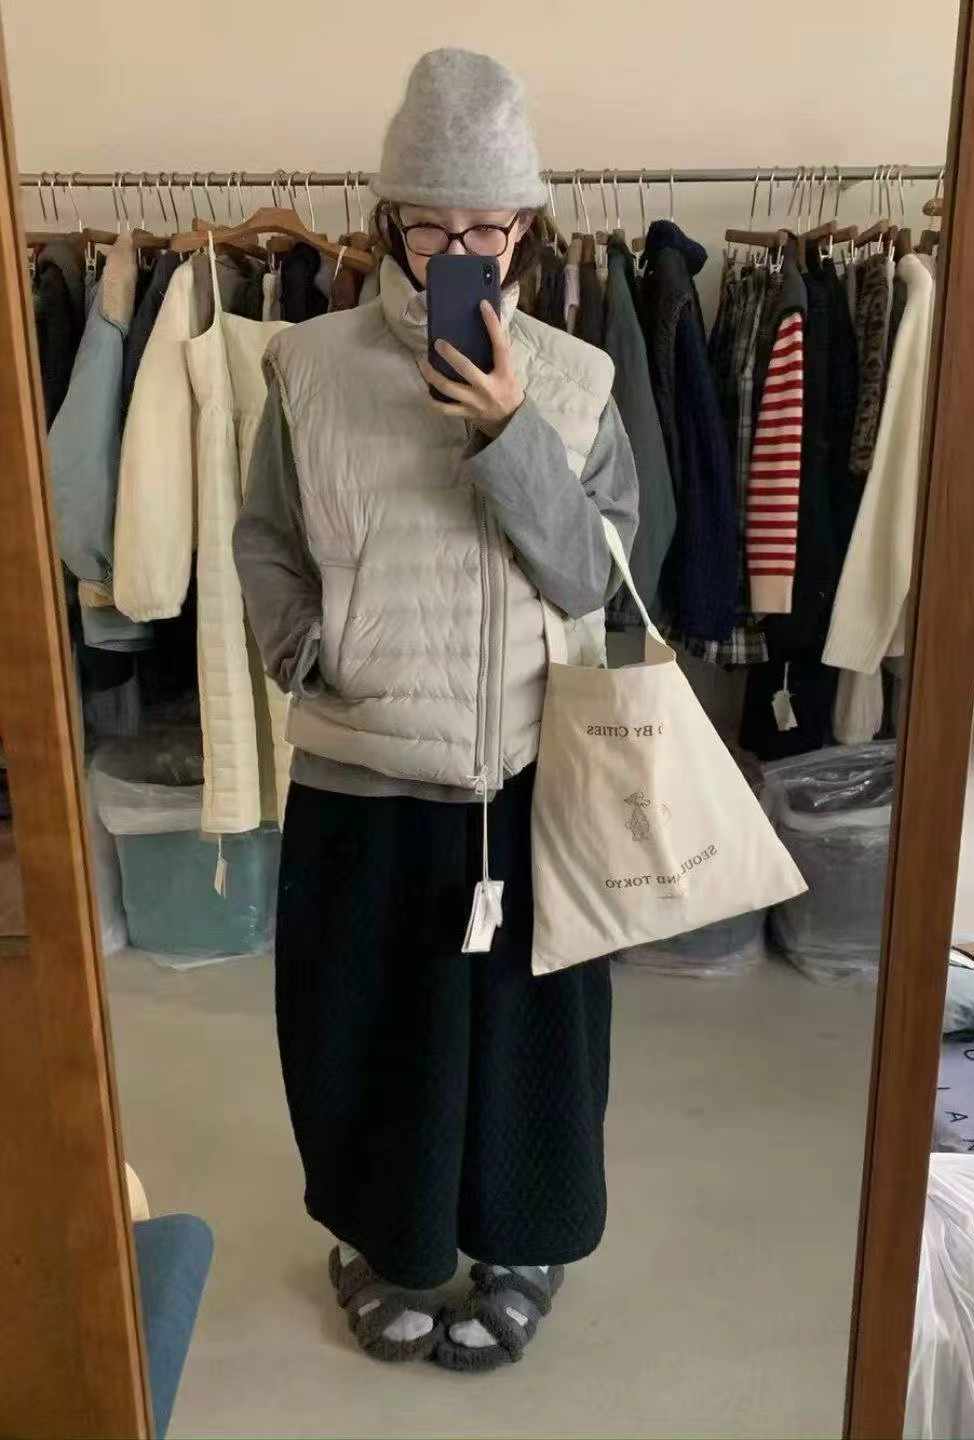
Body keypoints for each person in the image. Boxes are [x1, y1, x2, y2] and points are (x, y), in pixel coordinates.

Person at [234, 47, 638, 1371]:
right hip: (363, 770)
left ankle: (522, 1244)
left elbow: (592, 576)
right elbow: (264, 539)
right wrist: (309, 655)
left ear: (527, 227)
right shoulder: (307, 366)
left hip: (528, 777)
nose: (458, 251)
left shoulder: (577, 381)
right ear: (388, 220)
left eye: (487, 226)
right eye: (431, 224)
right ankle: (388, 1243)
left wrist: (513, 431)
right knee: (367, 1033)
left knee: (532, 1046)